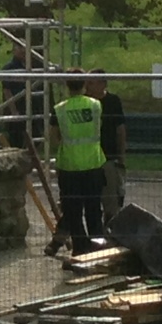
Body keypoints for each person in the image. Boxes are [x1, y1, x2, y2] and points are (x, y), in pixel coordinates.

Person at [46, 69, 107, 257]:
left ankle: (80, 248)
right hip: (94, 163)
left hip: (69, 166)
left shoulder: (60, 109)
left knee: (73, 210)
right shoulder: (96, 105)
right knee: (94, 208)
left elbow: (54, 136)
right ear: (84, 84)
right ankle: (98, 246)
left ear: (66, 85)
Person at [87, 69, 128, 222]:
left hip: (108, 156)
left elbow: (120, 129)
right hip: (88, 158)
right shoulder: (84, 102)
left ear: (103, 84)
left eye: (92, 83)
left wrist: (121, 156)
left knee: (111, 201)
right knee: (91, 201)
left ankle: (110, 233)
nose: (88, 86)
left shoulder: (113, 101)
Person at [0, 38, 47, 149]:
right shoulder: (9, 68)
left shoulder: (33, 66)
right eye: (19, 48)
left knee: (36, 136)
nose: (23, 51)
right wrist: (13, 111)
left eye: (25, 48)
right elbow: (7, 90)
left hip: (32, 108)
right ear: (14, 50)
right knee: (17, 139)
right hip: (17, 107)